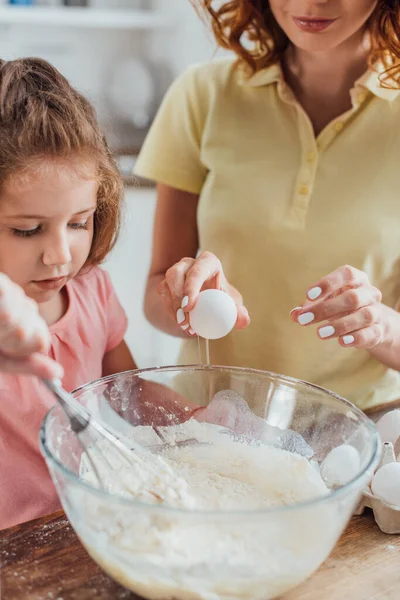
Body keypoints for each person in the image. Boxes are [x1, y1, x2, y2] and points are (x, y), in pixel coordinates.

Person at [134, 0, 400, 412]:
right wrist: (185, 298)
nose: (312, 2)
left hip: (356, 436)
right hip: (209, 421)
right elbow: (156, 298)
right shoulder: (203, 94)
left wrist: (379, 325)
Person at [0, 57, 139, 530]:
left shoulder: (92, 291)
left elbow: (131, 394)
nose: (59, 255)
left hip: (83, 526)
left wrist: (202, 417)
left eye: (79, 223)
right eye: (27, 230)